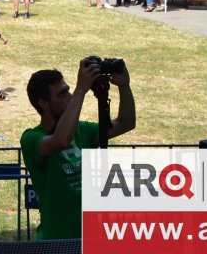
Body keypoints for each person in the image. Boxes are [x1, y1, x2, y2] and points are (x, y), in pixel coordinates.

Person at [21, 60, 136, 240]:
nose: (68, 97)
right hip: (55, 242)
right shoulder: (31, 139)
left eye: (68, 90)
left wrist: (124, 86)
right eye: (62, 94)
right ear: (43, 104)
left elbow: (126, 123)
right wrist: (80, 90)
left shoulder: (81, 130)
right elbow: (61, 140)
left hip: (89, 237)